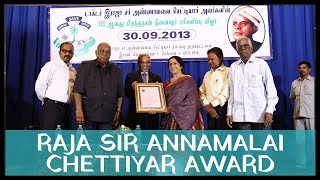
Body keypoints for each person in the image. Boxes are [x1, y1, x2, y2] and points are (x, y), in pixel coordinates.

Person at [226, 36, 278, 130]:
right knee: (244, 145)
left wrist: (270, 111)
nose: (243, 49)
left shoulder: (261, 64)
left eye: (245, 46)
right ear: (237, 51)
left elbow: (271, 91)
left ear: (251, 48)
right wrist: (229, 112)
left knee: (262, 144)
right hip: (240, 116)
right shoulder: (233, 67)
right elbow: (232, 93)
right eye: (240, 47)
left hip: (260, 115)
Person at [73, 42, 124, 130]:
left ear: (110, 54)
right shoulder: (85, 67)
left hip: (109, 117)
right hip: (88, 116)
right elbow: (77, 91)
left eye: (107, 52)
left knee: (106, 143)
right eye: (102, 51)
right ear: (96, 53)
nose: (105, 54)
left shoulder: (116, 71)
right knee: (89, 143)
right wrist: (78, 110)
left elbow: (120, 95)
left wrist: (118, 110)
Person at [35, 42, 77, 130]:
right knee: (49, 139)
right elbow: (40, 86)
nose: (67, 54)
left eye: (70, 52)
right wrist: (48, 102)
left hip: (67, 109)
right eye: (64, 51)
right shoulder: (51, 65)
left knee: (64, 140)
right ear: (59, 52)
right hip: (52, 107)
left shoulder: (73, 70)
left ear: (72, 54)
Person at [162, 56, 204, 130]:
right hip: (169, 117)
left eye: (175, 63)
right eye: (170, 64)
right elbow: (163, 100)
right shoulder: (167, 83)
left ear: (181, 66)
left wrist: (172, 108)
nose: (172, 66)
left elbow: (193, 102)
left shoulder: (188, 80)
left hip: (185, 118)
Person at [125, 54, 162, 130]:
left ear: (150, 63)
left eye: (147, 62)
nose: (145, 65)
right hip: (136, 116)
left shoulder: (156, 78)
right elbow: (126, 94)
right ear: (138, 63)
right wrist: (132, 88)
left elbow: (160, 98)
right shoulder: (131, 76)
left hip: (152, 116)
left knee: (150, 139)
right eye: (142, 62)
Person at [199, 47, 230, 130]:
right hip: (209, 110)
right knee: (212, 137)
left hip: (223, 109)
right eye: (208, 59)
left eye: (212, 59)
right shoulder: (207, 74)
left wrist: (212, 105)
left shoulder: (228, 71)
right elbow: (202, 91)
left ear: (220, 58)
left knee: (224, 137)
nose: (210, 62)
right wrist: (207, 105)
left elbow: (226, 92)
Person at [290, 61, 314, 130]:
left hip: (311, 115)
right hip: (298, 116)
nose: (302, 69)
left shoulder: (313, 81)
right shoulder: (294, 83)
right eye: (300, 68)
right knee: (299, 140)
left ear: (309, 69)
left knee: (312, 138)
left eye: (304, 68)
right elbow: (293, 98)